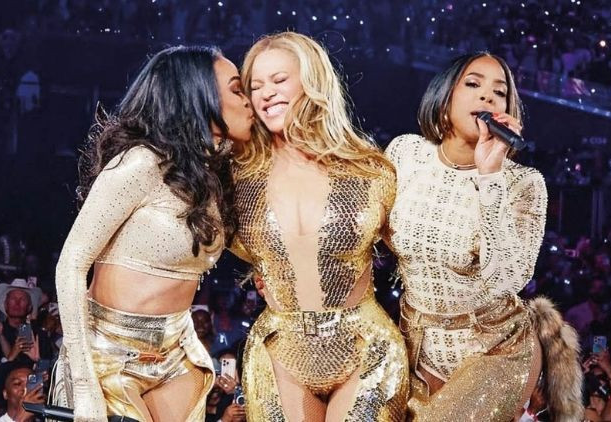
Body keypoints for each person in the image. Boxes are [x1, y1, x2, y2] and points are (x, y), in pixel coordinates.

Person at [53, 45, 253, 421]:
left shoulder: (215, 174)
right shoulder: (141, 163)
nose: (250, 101)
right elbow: (70, 266)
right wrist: (84, 384)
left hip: (177, 353)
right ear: (198, 95)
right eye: (237, 90)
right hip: (109, 353)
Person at [384, 52, 583, 421]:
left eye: (500, 92)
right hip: (415, 344)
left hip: (494, 349)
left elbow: (508, 280)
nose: (488, 96)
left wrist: (490, 175)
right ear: (444, 97)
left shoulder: (523, 183)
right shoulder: (406, 153)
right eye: (473, 84)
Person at [232, 32, 408, 421]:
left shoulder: (370, 170)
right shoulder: (237, 177)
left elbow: (417, 254)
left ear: (312, 82)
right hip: (280, 349)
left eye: (279, 80)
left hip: (365, 348)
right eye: (255, 86)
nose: (266, 94)